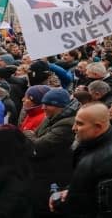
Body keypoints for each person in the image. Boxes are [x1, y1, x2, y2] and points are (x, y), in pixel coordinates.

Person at [50, 103, 112, 218]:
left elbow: (108, 211)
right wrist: (69, 191)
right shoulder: (91, 145)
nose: (74, 128)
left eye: (79, 124)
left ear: (98, 127)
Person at [24, 88, 76, 217]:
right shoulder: (52, 117)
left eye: (48, 105)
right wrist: (33, 136)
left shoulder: (66, 125)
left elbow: (38, 145)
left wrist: (29, 135)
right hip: (43, 170)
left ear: (59, 106)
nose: (43, 108)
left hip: (54, 174)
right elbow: (36, 136)